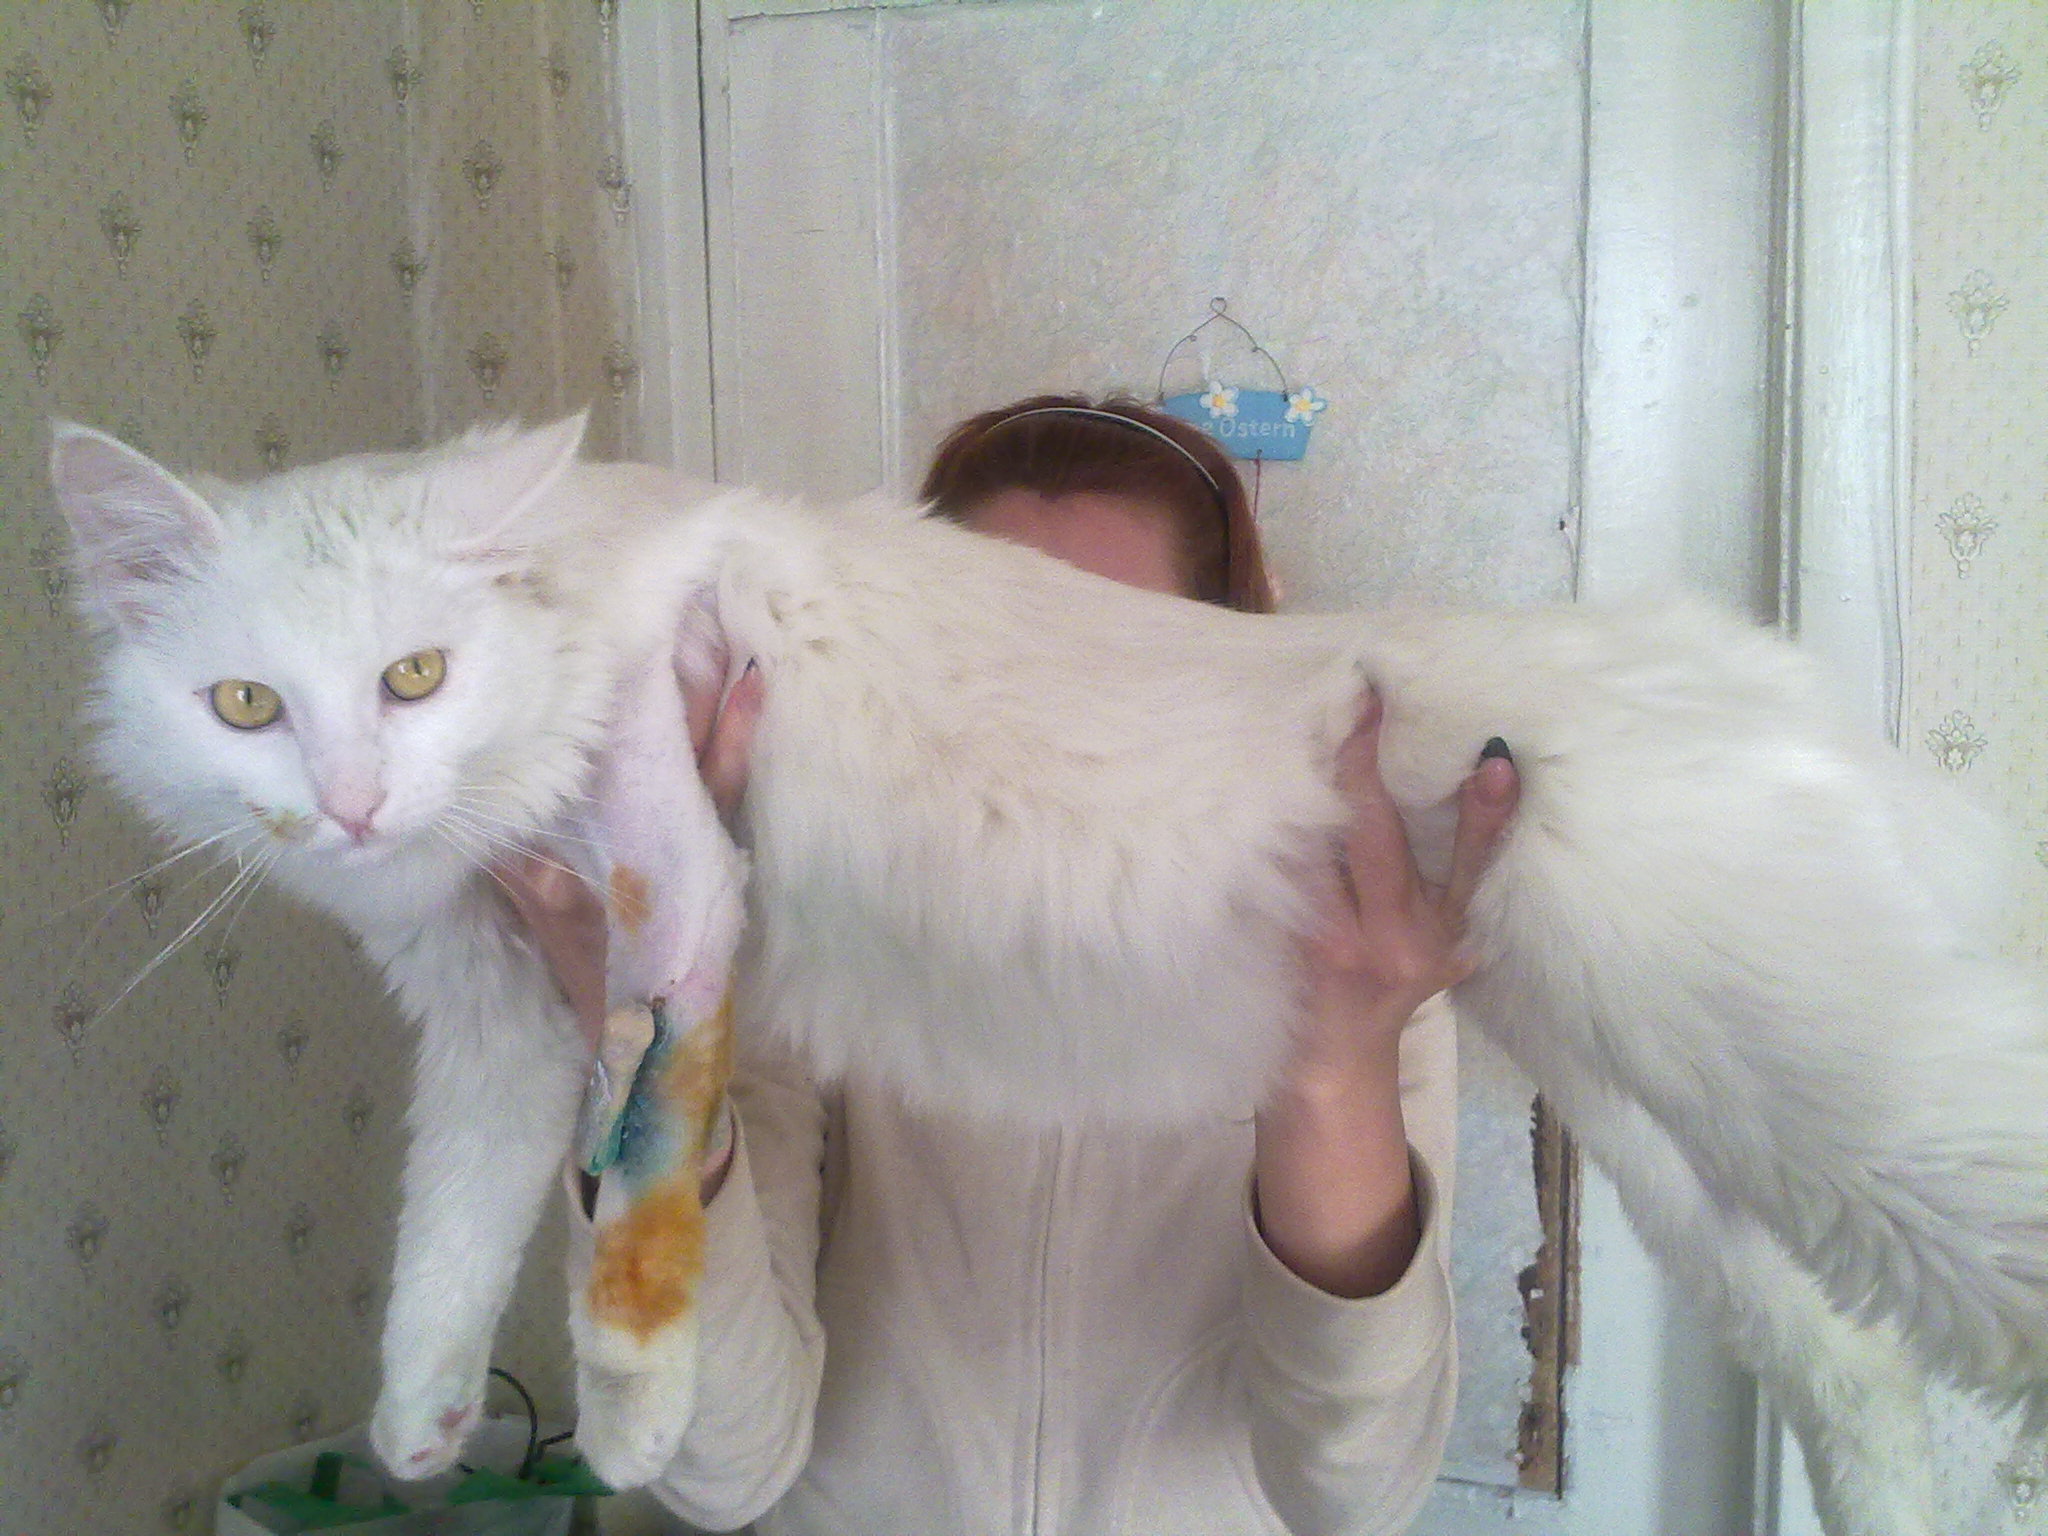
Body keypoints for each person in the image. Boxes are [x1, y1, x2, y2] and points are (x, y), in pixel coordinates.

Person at [508, 395, 1520, 1535]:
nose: (1045, 726)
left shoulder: (1349, 964)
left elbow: (1353, 1496)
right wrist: (646, 1008)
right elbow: (716, 1471)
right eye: (994, 654)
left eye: (1108, 660)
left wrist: (1329, 1077)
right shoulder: (801, 931)